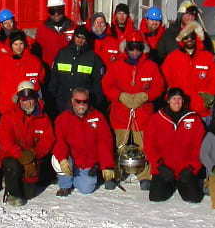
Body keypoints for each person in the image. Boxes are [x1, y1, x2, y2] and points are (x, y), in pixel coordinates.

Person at [101, 30, 164, 189]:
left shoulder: (151, 66)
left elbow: (159, 86)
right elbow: (107, 85)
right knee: (118, 144)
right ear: (126, 48)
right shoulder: (116, 67)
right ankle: (115, 172)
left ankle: (145, 175)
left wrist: (146, 96)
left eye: (138, 48)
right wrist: (120, 96)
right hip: (120, 112)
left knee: (144, 145)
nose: (135, 51)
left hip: (143, 114)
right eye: (131, 47)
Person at [0, 81, 56, 206]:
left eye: (31, 99)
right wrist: (21, 155)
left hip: (32, 159)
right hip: (13, 157)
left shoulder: (43, 118)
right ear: (19, 100)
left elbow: (47, 141)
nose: (28, 103)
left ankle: (20, 181)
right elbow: (4, 141)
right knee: (12, 166)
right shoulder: (8, 117)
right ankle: (12, 192)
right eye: (24, 99)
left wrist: (33, 154)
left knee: (30, 194)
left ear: (36, 99)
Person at [144, 87, 205, 203]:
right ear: (168, 100)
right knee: (156, 197)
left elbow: (199, 147)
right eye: (174, 99)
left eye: (179, 99)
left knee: (194, 198)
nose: (177, 102)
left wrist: (191, 168)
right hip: (165, 169)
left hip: (185, 170)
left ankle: (187, 183)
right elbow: (149, 146)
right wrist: (160, 166)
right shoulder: (156, 119)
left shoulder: (193, 119)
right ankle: (171, 185)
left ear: (183, 101)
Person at [52, 87, 115, 196]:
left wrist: (107, 165)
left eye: (85, 101)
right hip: (70, 159)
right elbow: (60, 141)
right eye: (78, 101)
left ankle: (78, 177)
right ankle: (65, 185)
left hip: (87, 162)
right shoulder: (62, 119)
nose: (82, 104)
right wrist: (62, 158)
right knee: (57, 159)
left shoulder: (98, 117)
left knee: (87, 189)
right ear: (72, 101)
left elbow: (105, 142)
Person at [160, 21, 215, 119]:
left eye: (192, 37)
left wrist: (208, 98)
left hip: (201, 112)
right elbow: (163, 80)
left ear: (196, 38)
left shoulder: (207, 57)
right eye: (186, 37)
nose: (189, 40)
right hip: (179, 111)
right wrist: (170, 98)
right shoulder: (172, 58)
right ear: (181, 39)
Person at [0, 30, 45, 115]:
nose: (18, 47)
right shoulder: (0, 63)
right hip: (6, 111)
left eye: (21, 44)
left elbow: (41, 83)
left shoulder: (34, 62)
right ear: (11, 45)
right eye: (15, 44)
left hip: (29, 110)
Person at [49, 25, 105, 116]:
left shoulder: (92, 58)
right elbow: (54, 79)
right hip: (62, 104)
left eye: (83, 38)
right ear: (74, 37)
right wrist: (51, 100)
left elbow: (97, 85)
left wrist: (96, 104)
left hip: (82, 106)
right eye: (78, 37)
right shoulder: (62, 54)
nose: (80, 40)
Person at [34, 0, 75, 68]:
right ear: (48, 11)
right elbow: (36, 53)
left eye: (59, 10)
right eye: (52, 11)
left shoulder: (73, 28)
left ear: (63, 9)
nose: (56, 14)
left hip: (68, 73)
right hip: (49, 72)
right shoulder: (42, 29)